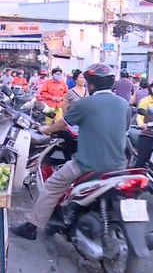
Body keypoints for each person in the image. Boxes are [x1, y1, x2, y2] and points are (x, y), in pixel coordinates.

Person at [11, 63, 131, 240]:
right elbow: (124, 128)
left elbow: (62, 124)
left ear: (91, 84)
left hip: (88, 165)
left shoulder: (86, 103)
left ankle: (31, 227)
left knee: (52, 186)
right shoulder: (123, 104)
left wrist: (45, 129)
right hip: (118, 166)